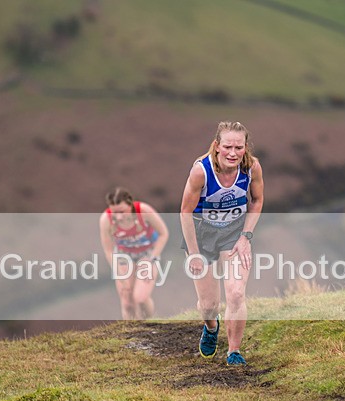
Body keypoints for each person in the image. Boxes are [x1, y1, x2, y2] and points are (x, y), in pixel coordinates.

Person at [180, 121, 264, 366]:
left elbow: (257, 201)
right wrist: (194, 253)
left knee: (236, 293)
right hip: (201, 233)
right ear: (217, 146)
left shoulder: (251, 167)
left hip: (234, 233)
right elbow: (185, 212)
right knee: (208, 305)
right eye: (227, 146)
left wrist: (246, 236)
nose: (233, 153)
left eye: (239, 147)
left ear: (245, 147)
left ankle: (234, 352)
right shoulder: (201, 171)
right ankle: (211, 326)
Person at [100, 187, 169, 319]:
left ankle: (150, 324)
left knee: (140, 298)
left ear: (130, 204)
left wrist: (152, 258)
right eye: (114, 212)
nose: (119, 216)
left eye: (122, 211)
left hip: (147, 255)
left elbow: (163, 233)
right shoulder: (106, 220)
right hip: (124, 257)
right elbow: (108, 250)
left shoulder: (144, 211)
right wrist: (118, 272)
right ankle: (131, 333)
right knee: (127, 302)